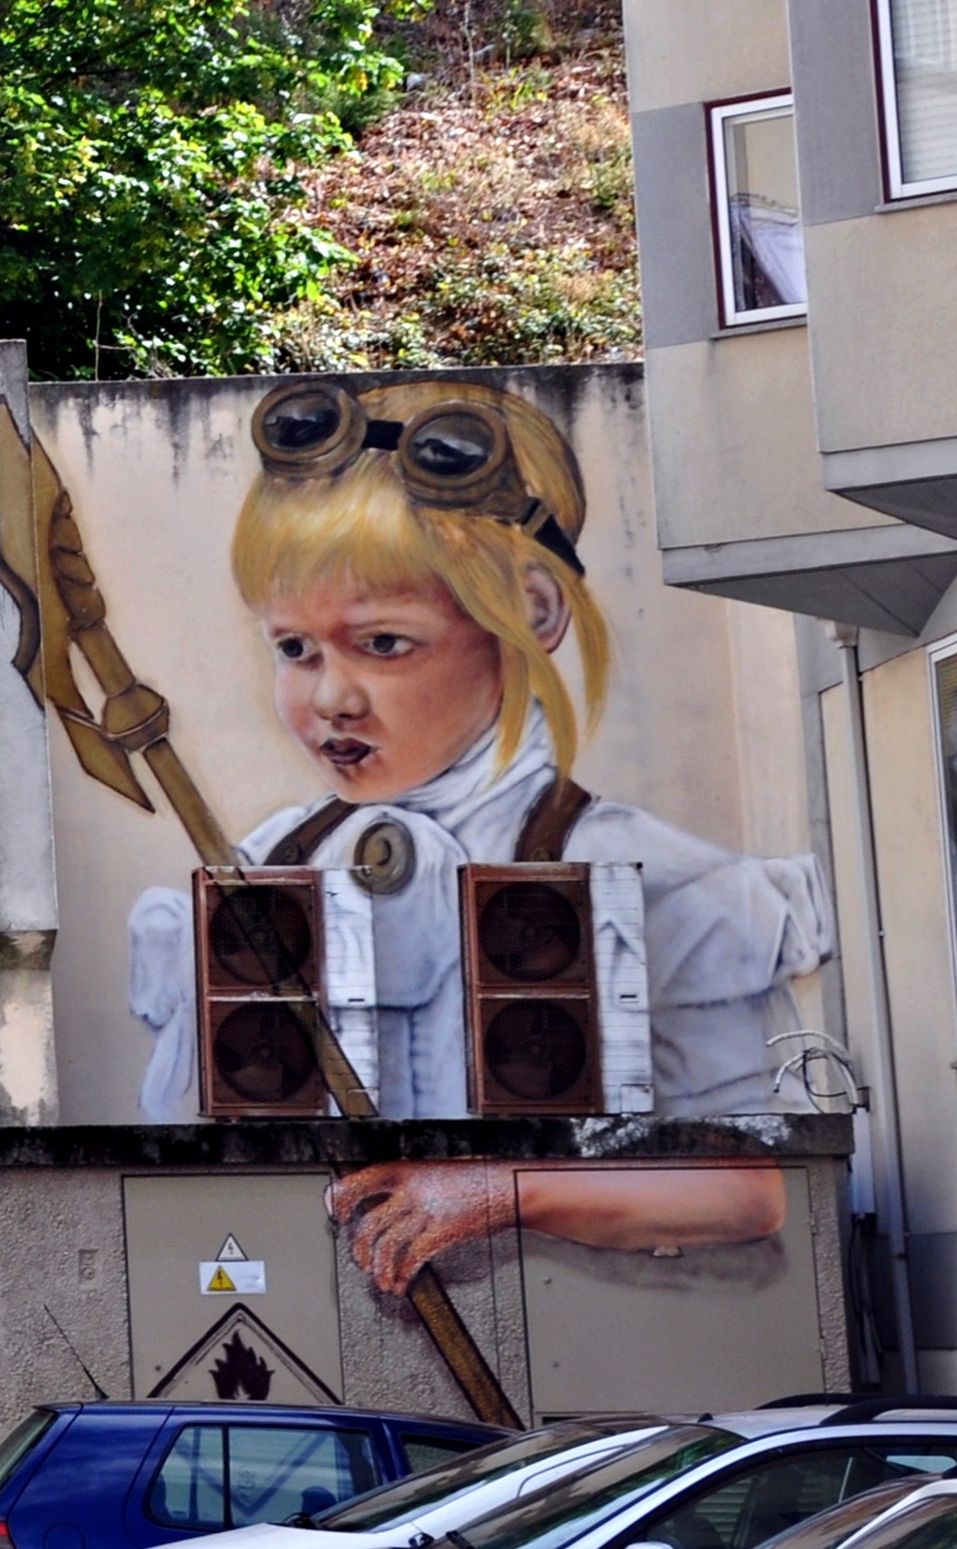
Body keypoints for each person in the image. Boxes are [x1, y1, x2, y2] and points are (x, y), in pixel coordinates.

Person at [129, 378, 832, 1135]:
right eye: (296, 648)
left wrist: (489, 1192)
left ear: (532, 611)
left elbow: (754, 1171)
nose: (332, 697)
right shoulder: (261, 872)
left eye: (383, 642)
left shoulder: (649, 877)